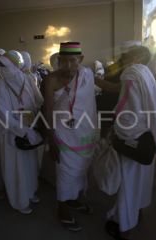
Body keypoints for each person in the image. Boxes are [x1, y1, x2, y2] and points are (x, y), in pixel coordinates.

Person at [103, 46, 156, 240]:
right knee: (141, 179)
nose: (124, 55)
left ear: (137, 57)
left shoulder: (131, 73)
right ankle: (137, 212)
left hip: (132, 135)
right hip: (147, 133)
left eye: (128, 53)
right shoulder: (146, 73)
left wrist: (117, 128)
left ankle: (123, 227)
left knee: (127, 181)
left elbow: (127, 107)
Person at [44, 42, 98, 231]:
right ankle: (62, 209)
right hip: (63, 135)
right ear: (59, 60)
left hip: (85, 133)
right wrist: (51, 140)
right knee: (66, 174)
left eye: (72, 61)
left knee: (81, 171)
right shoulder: (51, 79)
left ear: (80, 60)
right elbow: (48, 111)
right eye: (64, 61)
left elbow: (108, 86)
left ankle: (74, 199)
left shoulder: (87, 74)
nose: (68, 66)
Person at [0, 50, 43, 214]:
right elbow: (2, 113)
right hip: (11, 133)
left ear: (15, 66)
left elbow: (36, 102)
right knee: (16, 168)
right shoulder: (0, 86)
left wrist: (34, 124)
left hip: (30, 128)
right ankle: (19, 200)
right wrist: (22, 130)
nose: (1, 68)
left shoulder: (27, 79)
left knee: (30, 164)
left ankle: (30, 192)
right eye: (0, 65)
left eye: (5, 65)